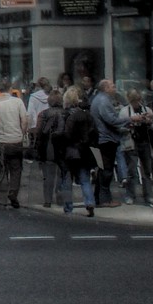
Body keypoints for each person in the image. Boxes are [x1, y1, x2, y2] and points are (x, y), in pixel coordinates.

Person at [0, 81, 29, 208]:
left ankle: (2, 197)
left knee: (1, 168)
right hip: (15, 140)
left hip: (0, 140)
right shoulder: (18, 102)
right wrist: (22, 132)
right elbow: (24, 120)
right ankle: (13, 192)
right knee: (16, 168)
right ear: (10, 89)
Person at [58, 85, 96, 217]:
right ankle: (89, 202)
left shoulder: (66, 115)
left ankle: (68, 207)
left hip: (69, 151)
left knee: (67, 179)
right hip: (84, 151)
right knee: (85, 179)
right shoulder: (87, 115)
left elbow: (65, 134)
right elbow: (94, 132)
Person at [89, 78, 128, 207]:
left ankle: (100, 197)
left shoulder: (98, 99)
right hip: (105, 140)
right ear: (105, 88)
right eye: (112, 86)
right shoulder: (103, 101)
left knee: (102, 169)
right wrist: (130, 119)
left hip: (100, 139)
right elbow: (111, 119)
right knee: (106, 170)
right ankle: (104, 199)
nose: (114, 88)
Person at [34, 89, 67, 208]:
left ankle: (47, 200)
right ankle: (60, 196)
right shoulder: (66, 113)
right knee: (62, 174)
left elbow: (38, 132)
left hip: (48, 147)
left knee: (48, 175)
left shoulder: (44, 114)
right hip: (63, 148)